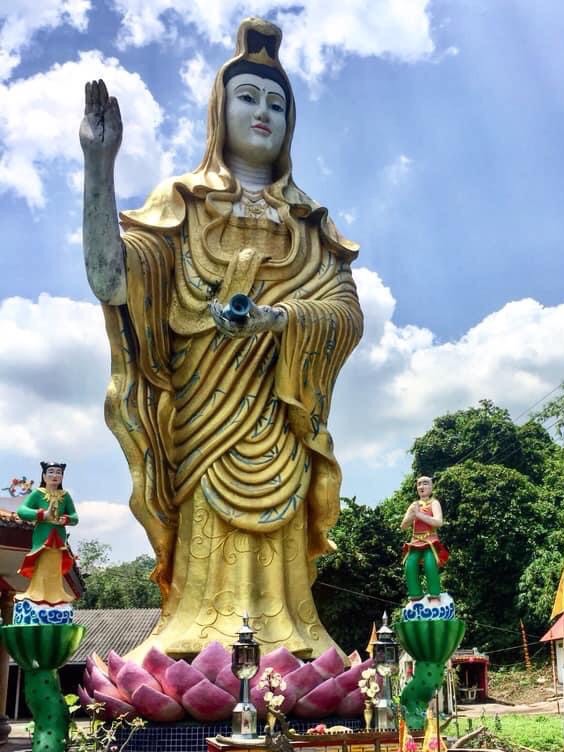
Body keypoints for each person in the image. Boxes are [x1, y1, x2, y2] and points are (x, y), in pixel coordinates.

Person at [80, 19, 363, 660]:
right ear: (219, 109)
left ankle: (290, 646)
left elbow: (346, 313)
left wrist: (278, 321)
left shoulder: (311, 224)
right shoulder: (182, 202)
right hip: (203, 426)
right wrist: (98, 168)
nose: (263, 112)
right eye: (248, 97)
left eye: (276, 103)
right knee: (206, 573)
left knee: (286, 604)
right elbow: (111, 278)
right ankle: (192, 641)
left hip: (278, 413)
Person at [16, 462, 78, 606]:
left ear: (62, 477)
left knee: (55, 568)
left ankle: (56, 596)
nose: (55, 475)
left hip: (59, 539)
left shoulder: (65, 495)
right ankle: (36, 594)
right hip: (43, 537)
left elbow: (75, 517)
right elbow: (22, 511)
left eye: (58, 473)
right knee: (42, 566)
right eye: (51, 472)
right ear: (44, 476)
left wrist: (66, 519)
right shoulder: (38, 494)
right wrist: (42, 515)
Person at [400, 476, 449, 600]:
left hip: (430, 540)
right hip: (415, 541)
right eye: (419, 484)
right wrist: (412, 515)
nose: (422, 487)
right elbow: (403, 526)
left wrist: (419, 515)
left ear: (431, 487)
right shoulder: (414, 505)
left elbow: (438, 522)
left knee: (430, 564)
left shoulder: (434, 503)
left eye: (425, 484)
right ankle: (415, 595)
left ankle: (434, 595)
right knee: (410, 566)